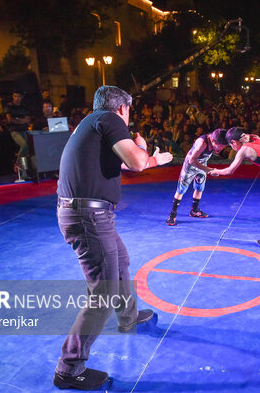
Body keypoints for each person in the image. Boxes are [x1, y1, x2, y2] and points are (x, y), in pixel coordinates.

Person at [54, 85, 172, 390]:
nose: (128, 118)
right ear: (122, 108)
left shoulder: (92, 123)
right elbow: (135, 162)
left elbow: (119, 164)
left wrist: (150, 160)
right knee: (103, 291)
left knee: (120, 261)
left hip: (88, 215)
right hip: (88, 217)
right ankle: (69, 368)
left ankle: (128, 318)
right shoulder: (109, 118)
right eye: (129, 112)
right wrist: (142, 148)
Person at [166, 128, 228, 226]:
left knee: (200, 187)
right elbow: (192, 160)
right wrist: (208, 170)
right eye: (219, 146)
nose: (220, 149)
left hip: (202, 164)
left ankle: (194, 210)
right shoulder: (202, 143)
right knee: (181, 189)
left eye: (222, 147)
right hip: (190, 166)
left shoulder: (217, 137)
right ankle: (172, 213)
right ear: (213, 141)